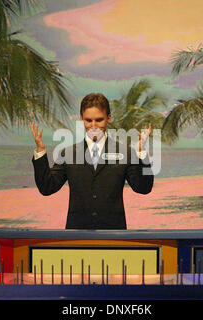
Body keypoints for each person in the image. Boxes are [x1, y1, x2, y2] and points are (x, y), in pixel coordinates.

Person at [30, 93, 154, 229]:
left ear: (109, 118)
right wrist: (41, 150)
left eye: (99, 120)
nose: (93, 126)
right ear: (81, 119)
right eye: (88, 120)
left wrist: (142, 154)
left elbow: (143, 188)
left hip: (114, 234)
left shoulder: (125, 152)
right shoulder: (68, 153)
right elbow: (47, 187)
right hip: (77, 235)